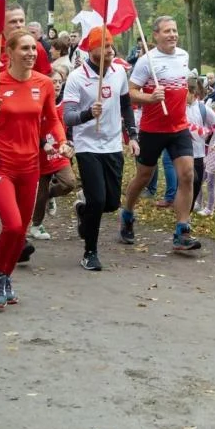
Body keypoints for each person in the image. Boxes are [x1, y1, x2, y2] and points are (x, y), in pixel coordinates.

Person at [0, 31, 69, 308]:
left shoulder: (44, 83)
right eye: (24, 48)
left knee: (21, 230)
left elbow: (51, 120)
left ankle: (5, 276)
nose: (30, 53)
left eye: (34, 49)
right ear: (10, 53)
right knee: (13, 225)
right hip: (0, 164)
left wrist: (62, 141)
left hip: (31, 166)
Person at [119, 17, 201, 252]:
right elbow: (130, 92)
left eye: (174, 30)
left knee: (188, 175)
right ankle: (127, 213)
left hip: (179, 128)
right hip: (152, 130)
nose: (172, 34)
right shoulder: (147, 61)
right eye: (167, 31)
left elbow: (183, 86)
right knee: (144, 176)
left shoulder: (183, 56)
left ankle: (182, 231)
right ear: (155, 35)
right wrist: (150, 97)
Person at [63, 27, 138, 271]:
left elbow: (126, 105)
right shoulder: (77, 77)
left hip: (113, 143)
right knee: (97, 199)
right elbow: (68, 117)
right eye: (104, 46)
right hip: (87, 144)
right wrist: (87, 113)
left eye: (110, 45)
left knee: (111, 203)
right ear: (91, 49)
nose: (110, 50)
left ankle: (83, 209)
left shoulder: (119, 72)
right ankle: (90, 252)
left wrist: (132, 136)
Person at [29, 64, 77, 241]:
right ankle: (36, 225)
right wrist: (43, 143)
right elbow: (30, 127)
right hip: (40, 152)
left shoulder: (65, 104)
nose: (56, 85)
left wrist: (69, 142)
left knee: (69, 183)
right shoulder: (36, 103)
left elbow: (70, 125)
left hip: (60, 151)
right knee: (40, 193)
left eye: (59, 82)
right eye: (53, 81)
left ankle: (51, 194)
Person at [0, 5, 53, 78]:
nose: (19, 25)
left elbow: (46, 80)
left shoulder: (36, 48)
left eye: (21, 21)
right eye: (13, 22)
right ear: (1, 24)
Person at [186, 74, 215, 213]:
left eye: (189, 91)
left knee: (196, 183)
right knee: (185, 182)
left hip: (198, 154)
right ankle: (183, 216)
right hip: (181, 154)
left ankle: (188, 210)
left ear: (195, 93)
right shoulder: (177, 107)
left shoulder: (203, 109)